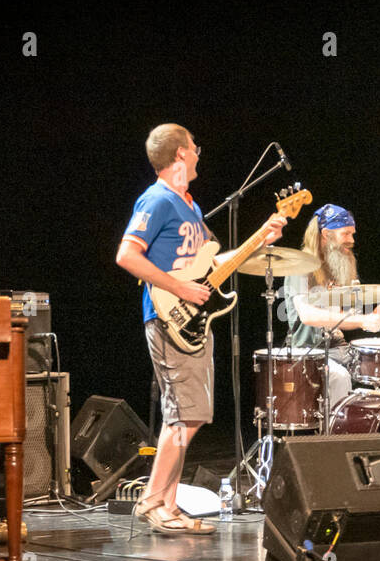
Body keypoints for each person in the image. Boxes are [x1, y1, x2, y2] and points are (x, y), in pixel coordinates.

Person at [116, 123, 285, 534]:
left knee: (188, 415)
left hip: (192, 320)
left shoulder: (189, 207)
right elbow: (126, 255)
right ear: (178, 154)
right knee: (183, 416)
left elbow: (212, 263)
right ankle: (153, 503)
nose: (198, 154)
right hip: (168, 316)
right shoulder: (156, 200)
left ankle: (169, 505)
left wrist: (259, 240)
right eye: (194, 147)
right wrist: (178, 287)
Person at [282, 204, 380, 408]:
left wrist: (370, 320)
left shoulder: (335, 267)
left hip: (338, 349)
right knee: (339, 378)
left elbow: (340, 320)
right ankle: (337, 438)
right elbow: (307, 315)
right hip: (308, 352)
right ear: (326, 234)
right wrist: (362, 319)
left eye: (352, 233)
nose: (352, 240)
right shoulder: (300, 266)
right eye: (346, 233)